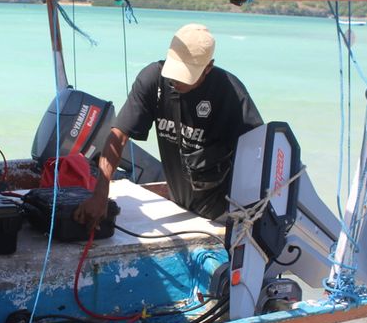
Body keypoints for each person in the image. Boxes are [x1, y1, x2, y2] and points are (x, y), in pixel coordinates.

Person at [75, 23, 263, 226]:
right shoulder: (152, 80)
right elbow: (118, 135)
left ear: (208, 67)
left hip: (222, 211)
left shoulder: (230, 92)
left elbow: (260, 150)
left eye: (186, 75)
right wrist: (101, 193)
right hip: (180, 202)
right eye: (174, 72)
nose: (176, 82)